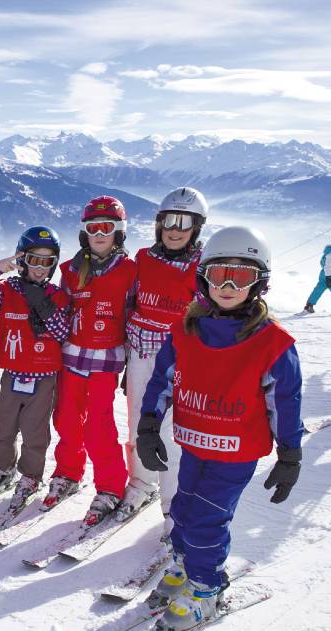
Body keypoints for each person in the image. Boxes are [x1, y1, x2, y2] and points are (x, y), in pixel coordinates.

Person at [136, 226, 303, 631]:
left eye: (241, 277)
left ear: (259, 283)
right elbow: (161, 381)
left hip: (235, 451)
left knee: (207, 521)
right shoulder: (186, 330)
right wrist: (149, 426)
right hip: (193, 443)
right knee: (182, 511)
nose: (228, 286)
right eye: (219, 274)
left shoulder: (272, 343)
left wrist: (290, 455)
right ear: (203, 278)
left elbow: (285, 402)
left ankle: (206, 588)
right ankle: (184, 565)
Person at [48, 195, 138, 526]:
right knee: (67, 418)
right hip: (72, 356)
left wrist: (135, 360)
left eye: (107, 227)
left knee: (98, 424)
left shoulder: (129, 271)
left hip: (106, 360)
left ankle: (110, 486)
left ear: (119, 232)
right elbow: (61, 309)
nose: (100, 233)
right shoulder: (71, 270)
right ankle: (69, 472)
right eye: (93, 227)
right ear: (84, 232)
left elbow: (134, 314)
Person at [124, 187, 207, 533]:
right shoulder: (143, 258)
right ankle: (140, 483)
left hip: (175, 361)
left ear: (196, 228)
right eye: (168, 220)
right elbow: (125, 300)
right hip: (138, 353)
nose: (175, 229)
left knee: (169, 434)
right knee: (135, 424)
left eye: (184, 223)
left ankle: (174, 506)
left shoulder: (200, 267)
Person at [0, 226, 71, 513]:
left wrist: (44, 307)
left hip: (43, 378)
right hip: (12, 374)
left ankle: (30, 475)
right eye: (34, 260)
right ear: (22, 258)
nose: (40, 268)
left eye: (47, 262)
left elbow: (64, 332)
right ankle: (1, 468)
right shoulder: (7, 290)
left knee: (34, 431)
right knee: (3, 426)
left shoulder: (56, 296)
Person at [303, 232, 331, 314]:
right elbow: (329, 267)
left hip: (323, 273)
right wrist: (329, 277)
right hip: (330, 274)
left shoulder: (330, 252)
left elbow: (326, 266)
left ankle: (309, 305)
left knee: (319, 288)